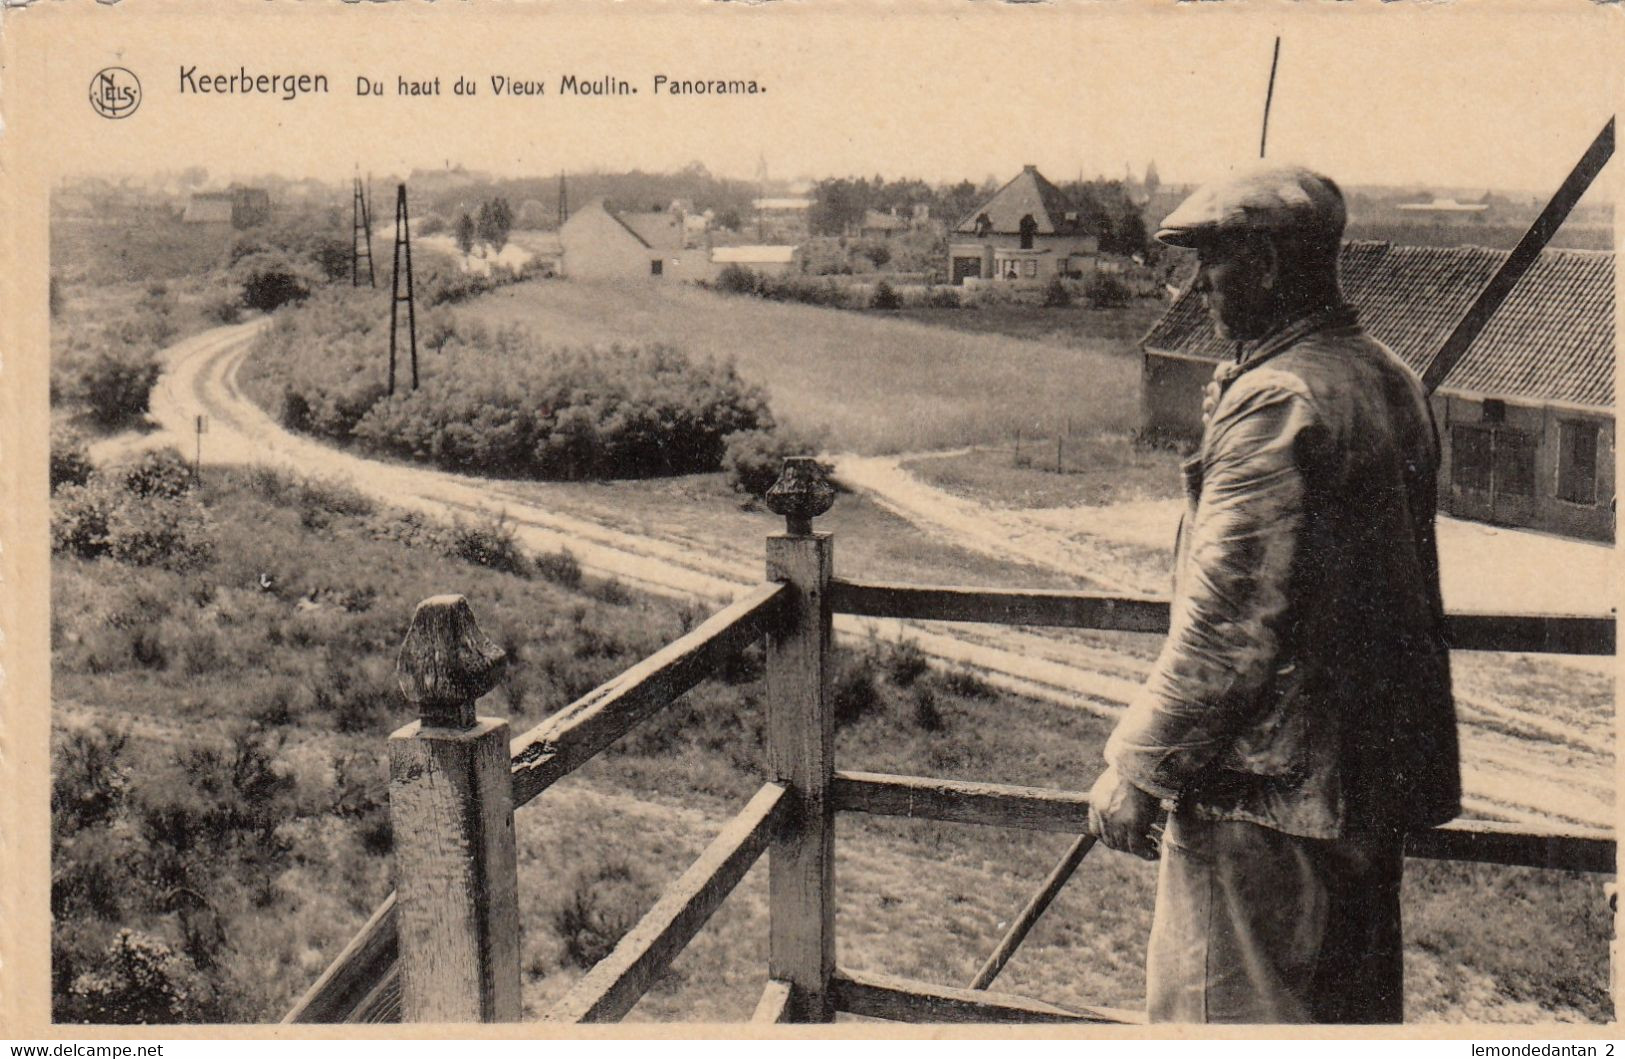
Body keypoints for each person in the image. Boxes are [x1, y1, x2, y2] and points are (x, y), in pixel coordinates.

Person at [1086, 164, 1462, 1024]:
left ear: (1262, 263)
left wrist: (1137, 769)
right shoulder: (1384, 377)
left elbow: (1226, 625)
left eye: (1212, 259)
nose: (1197, 283)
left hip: (1264, 802)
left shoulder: (1278, 398)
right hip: (1365, 795)